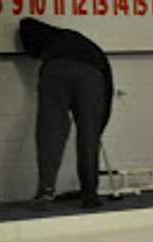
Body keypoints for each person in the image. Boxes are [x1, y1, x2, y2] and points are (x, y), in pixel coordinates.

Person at [19, 17, 113, 209]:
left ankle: (45, 193)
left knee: (50, 133)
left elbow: (25, 23)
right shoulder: (83, 43)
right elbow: (108, 88)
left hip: (55, 70)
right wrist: (98, 127)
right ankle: (89, 195)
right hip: (91, 74)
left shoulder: (52, 46)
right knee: (88, 137)